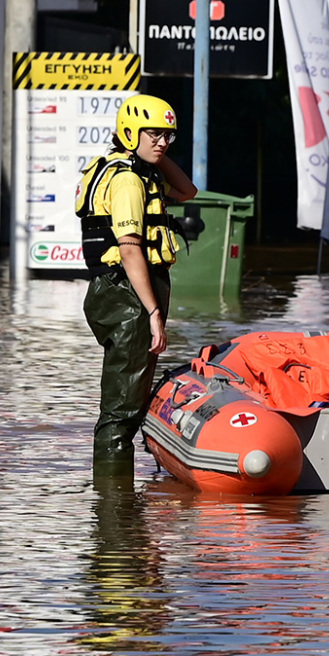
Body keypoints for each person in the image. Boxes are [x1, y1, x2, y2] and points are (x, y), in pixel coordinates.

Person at [77, 93, 197, 471]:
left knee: (128, 400)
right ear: (131, 132)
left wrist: (158, 157)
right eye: (154, 134)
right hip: (128, 297)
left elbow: (188, 191)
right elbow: (130, 250)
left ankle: (121, 509)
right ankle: (115, 514)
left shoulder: (132, 170)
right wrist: (152, 313)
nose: (162, 142)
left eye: (168, 136)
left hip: (121, 294)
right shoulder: (128, 181)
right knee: (122, 413)